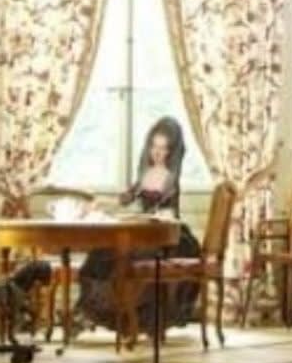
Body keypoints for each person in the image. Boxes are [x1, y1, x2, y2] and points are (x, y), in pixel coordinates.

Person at [79, 116, 203, 340]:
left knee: (130, 256)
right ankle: (110, 316)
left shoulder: (170, 178)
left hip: (168, 237)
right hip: (146, 231)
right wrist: (99, 204)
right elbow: (125, 199)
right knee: (102, 253)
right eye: (154, 146)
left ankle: (138, 320)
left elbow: (167, 213)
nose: (157, 152)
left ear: (171, 151)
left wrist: (150, 217)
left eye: (163, 148)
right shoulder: (147, 174)